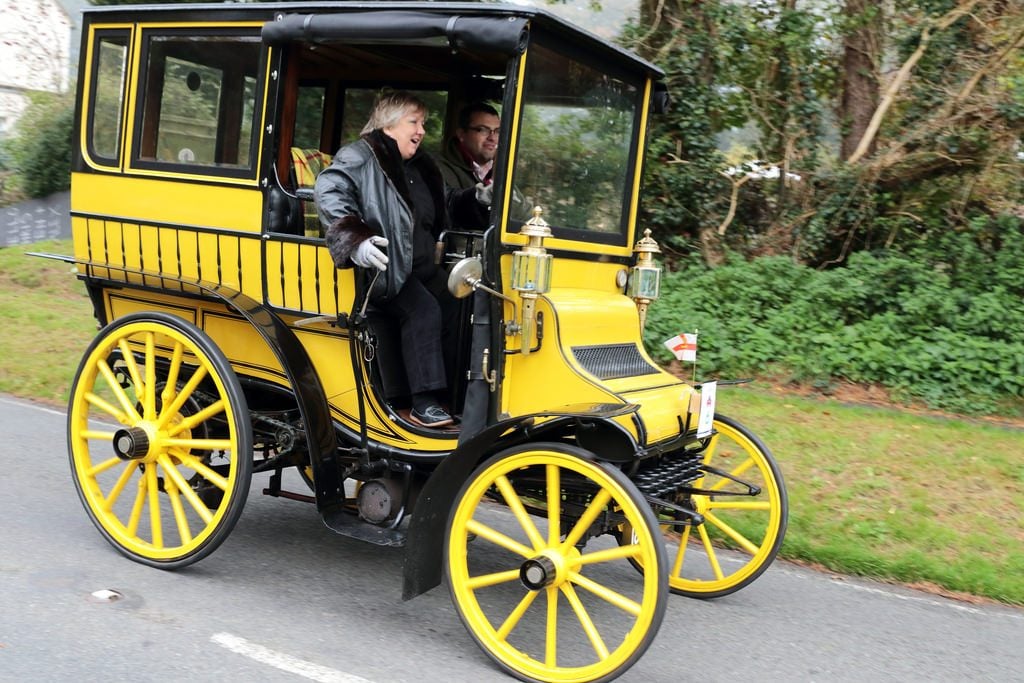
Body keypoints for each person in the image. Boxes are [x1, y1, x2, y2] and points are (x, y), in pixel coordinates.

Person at [315, 90, 462, 428]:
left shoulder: (421, 165)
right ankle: (423, 404)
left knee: (459, 303)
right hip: (385, 270)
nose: (421, 130)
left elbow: (446, 204)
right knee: (423, 310)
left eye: (422, 123)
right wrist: (357, 241)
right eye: (414, 122)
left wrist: (478, 199)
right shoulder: (361, 155)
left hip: (422, 267)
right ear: (389, 124)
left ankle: (452, 399)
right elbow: (329, 189)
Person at [437, 102, 500, 193]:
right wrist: (494, 182)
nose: (492, 138)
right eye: (482, 130)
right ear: (461, 134)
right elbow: (457, 205)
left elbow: (521, 206)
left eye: (497, 131)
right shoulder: (439, 168)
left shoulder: (499, 167)